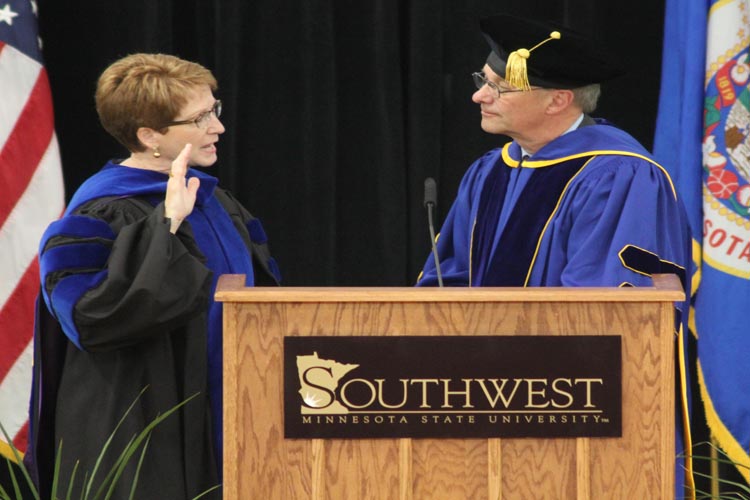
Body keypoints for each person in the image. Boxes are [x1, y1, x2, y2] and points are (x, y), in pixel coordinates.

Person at [416, 13, 693, 496]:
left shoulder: (619, 175)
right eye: (483, 80)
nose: (479, 95)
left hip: (576, 405)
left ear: (558, 101)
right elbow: (446, 281)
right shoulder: (489, 171)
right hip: (481, 396)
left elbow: (604, 309)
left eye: (499, 87)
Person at [25, 53, 281, 499]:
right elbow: (89, 317)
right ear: (149, 136)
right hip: (142, 427)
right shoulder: (99, 213)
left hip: (234, 417)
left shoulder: (217, 204)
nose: (217, 128)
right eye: (200, 118)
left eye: (214, 110)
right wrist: (167, 226)